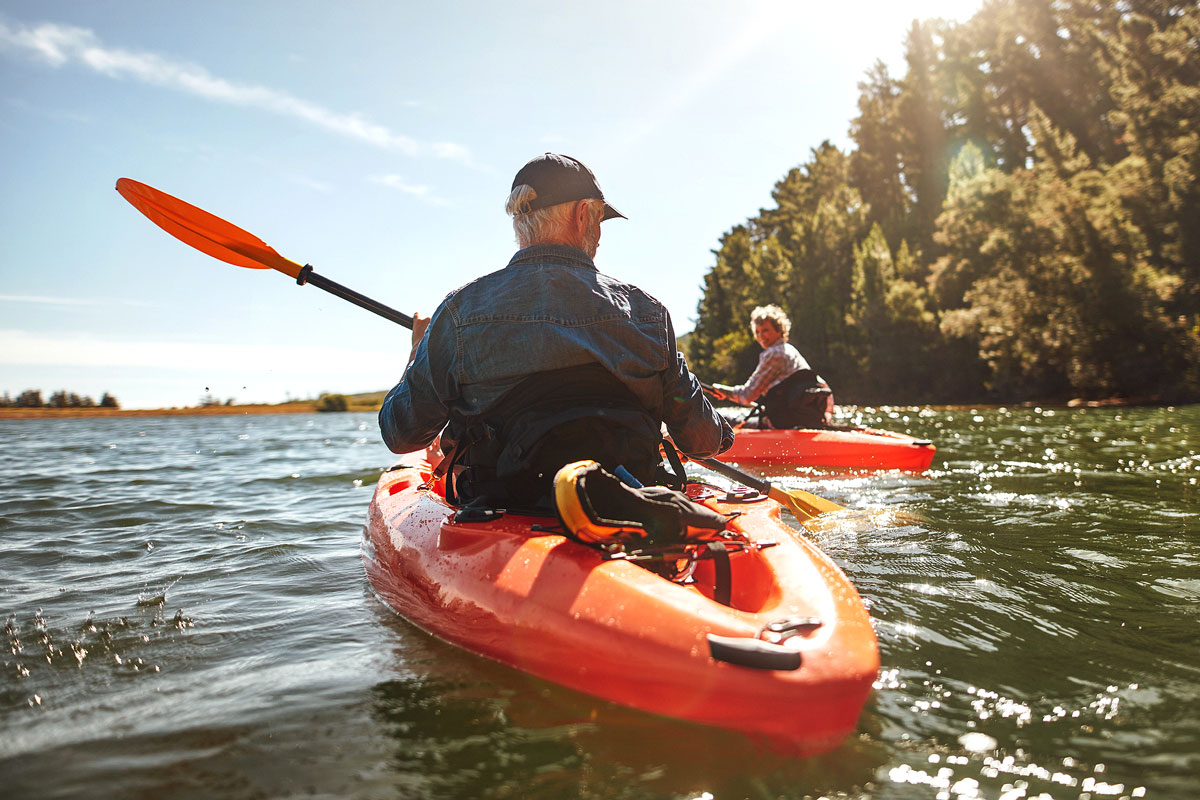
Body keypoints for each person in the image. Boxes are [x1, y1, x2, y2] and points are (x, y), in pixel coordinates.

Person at [379, 153, 733, 511]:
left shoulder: (458, 313)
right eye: (599, 220)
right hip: (630, 505)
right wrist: (723, 432)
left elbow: (401, 433)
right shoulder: (648, 313)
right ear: (582, 215)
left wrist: (418, 352)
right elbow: (702, 440)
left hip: (504, 509)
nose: (599, 235)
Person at [708, 305, 834, 429]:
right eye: (757, 332)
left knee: (716, 416)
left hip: (780, 423)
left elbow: (747, 396)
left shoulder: (773, 354)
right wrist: (827, 415)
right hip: (802, 419)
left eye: (765, 330)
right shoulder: (791, 351)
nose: (761, 336)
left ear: (779, 330)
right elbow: (822, 385)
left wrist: (723, 391)